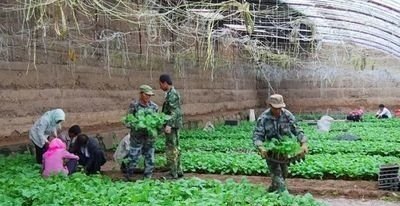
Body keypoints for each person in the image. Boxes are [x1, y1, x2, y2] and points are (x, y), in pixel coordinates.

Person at [253, 94, 308, 193]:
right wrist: (261, 147)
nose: (278, 110)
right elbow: (258, 135)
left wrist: (303, 143)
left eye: (280, 108)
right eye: (275, 108)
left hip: (283, 151)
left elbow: (297, 129)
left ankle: (272, 190)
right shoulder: (264, 118)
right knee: (277, 175)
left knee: (284, 173)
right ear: (270, 106)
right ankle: (283, 196)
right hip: (271, 152)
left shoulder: (287, 115)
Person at [125, 85, 159, 179]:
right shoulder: (134, 106)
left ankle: (148, 176)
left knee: (150, 157)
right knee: (133, 157)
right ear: (141, 94)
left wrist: (155, 126)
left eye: (150, 95)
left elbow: (158, 121)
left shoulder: (154, 107)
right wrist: (137, 125)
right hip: (137, 137)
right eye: (146, 94)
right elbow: (128, 121)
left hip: (149, 138)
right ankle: (128, 175)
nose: (148, 96)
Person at [159, 74, 184, 179]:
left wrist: (168, 125)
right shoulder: (172, 93)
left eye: (160, 84)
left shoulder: (171, 94)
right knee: (176, 147)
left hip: (172, 125)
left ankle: (173, 172)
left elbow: (174, 112)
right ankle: (178, 170)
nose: (160, 86)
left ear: (165, 83)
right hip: (175, 124)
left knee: (171, 148)